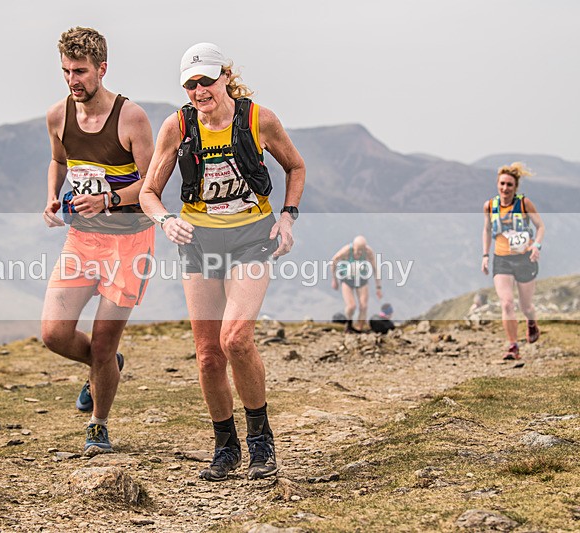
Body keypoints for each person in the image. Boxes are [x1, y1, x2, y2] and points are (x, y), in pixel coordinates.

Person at [140, 43, 305, 481]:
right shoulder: (177, 126)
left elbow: (296, 167)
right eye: (191, 84)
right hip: (198, 241)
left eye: (207, 80)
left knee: (236, 339)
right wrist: (164, 221)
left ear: (225, 77)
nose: (199, 90)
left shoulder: (259, 119)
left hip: (252, 237)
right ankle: (225, 445)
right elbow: (148, 192)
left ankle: (260, 440)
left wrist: (287, 219)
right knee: (209, 356)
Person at [40, 27, 155, 455]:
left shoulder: (132, 118)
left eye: (82, 71)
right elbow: (57, 159)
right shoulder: (57, 116)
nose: (73, 80)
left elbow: (152, 186)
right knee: (54, 334)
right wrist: (53, 195)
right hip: (82, 240)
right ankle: (105, 367)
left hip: (130, 242)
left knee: (104, 342)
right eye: (67, 71)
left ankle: (98, 425)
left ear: (102, 70)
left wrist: (108, 198)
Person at [482, 162, 544, 360]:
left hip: (525, 258)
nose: (505, 188)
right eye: (502, 184)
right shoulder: (490, 206)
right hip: (502, 260)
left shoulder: (524, 203)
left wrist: (536, 246)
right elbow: (486, 230)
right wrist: (485, 255)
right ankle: (513, 346)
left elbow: (540, 226)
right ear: (497, 184)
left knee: (526, 307)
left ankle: (532, 323)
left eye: (509, 185)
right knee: (507, 303)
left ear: (515, 187)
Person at [330, 236, 382, 333]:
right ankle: (348, 324)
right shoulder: (346, 251)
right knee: (351, 306)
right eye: (358, 250)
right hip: (347, 280)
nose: (359, 253)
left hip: (362, 279)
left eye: (362, 251)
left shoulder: (368, 252)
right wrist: (334, 279)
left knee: (363, 306)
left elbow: (375, 269)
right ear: (353, 246)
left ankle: (359, 328)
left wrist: (378, 287)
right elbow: (333, 261)